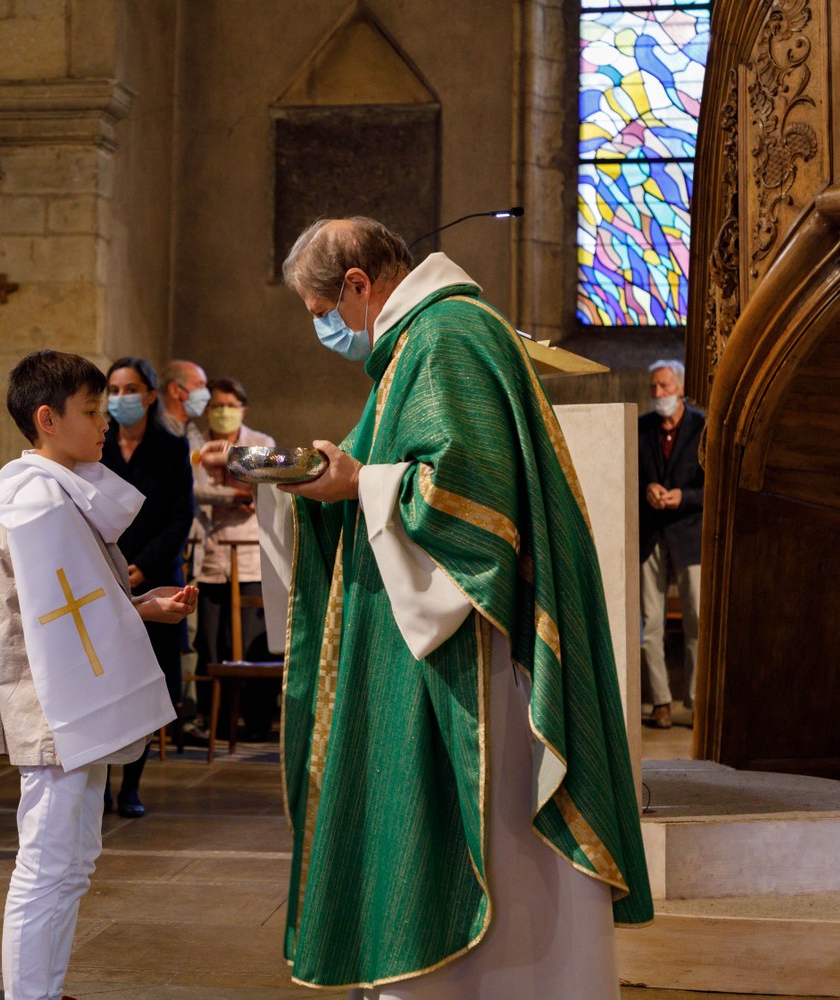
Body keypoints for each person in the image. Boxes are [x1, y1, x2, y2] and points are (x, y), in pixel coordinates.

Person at [206, 216, 652, 998]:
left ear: (358, 284)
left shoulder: (447, 337)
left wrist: (357, 483)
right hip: (440, 641)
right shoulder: (417, 344)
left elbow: (473, 503)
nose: (323, 330)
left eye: (322, 312)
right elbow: (377, 471)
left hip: (476, 658)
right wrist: (291, 479)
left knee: (494, 851)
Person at [0, 349, 195, 1000]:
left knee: (74, 859)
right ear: (47, 419)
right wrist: (131, 611)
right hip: (56, 701)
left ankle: (45, 987)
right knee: (46, 860)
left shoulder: (58, 491)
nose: (105, 423)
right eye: (92, 410)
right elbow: (55, 615)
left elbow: (75, 599)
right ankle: (28, 996)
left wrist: (139, 605)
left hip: (74, 692)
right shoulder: (35, 499)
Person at [99, 357, 196, 814]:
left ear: (151, 395)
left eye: (131, 389)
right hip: (103, 575)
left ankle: (131, 787)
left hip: (155, 575)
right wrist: (113, 566)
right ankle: (100, 783)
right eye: (114, 390)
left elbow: (180, 517)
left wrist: (141, 566)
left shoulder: (171, 447)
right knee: (105, 686)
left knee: (145, 686)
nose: (122, 398)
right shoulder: (98, 446)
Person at [192, 377, 277, 740]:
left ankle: (257, 722)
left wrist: (235, 485)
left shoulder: (261, 442)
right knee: (212, 642)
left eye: (230, 406)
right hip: (210, 556)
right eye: (216, 406)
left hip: (251, 554)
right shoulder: (194, 444)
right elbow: (193, 491)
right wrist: (233, 493)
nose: (223, 412)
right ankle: (216, 723)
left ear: (243, 409)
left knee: (256, 641)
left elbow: (266, 483)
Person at [638, 359, 705, 729]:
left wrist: (682, 497)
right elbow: (630, 476)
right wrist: (647, 489)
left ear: (680, 388)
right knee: (651, 623)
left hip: (688, 533)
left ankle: (695, 702)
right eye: (653, 386)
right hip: (651, 535)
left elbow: (712, 485)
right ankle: (661, 702)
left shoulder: (701, 427)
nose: (657, 393)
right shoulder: (642, 427)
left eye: (664, 386)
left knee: (697, 620)